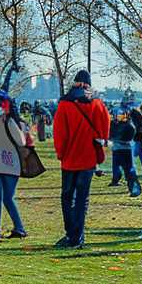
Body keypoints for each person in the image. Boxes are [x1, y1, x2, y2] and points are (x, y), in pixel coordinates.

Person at [51, 69, 110, 249]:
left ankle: (71, 234)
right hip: (89, 157)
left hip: (69, 158)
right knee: (82, 198)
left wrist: (60, 153)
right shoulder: (97, 104)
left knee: (67, 197)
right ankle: (78, 236)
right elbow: (104, 130)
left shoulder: (65, 104)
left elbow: (59, 133)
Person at [0, 71, 32, 244]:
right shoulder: (2, 120)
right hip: (6, 164)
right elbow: (20, 141)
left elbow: (18, 140)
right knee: (5, 199)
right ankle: (11, 229)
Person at [109, 109, 142, 197]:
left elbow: (128, 137)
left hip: (125, 149)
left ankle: (135, 189)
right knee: (120, 168)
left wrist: (116, 139)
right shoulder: (114, 124)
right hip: (117, 149)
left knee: (129, 170)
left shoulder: (129, 125)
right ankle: (118, 181)